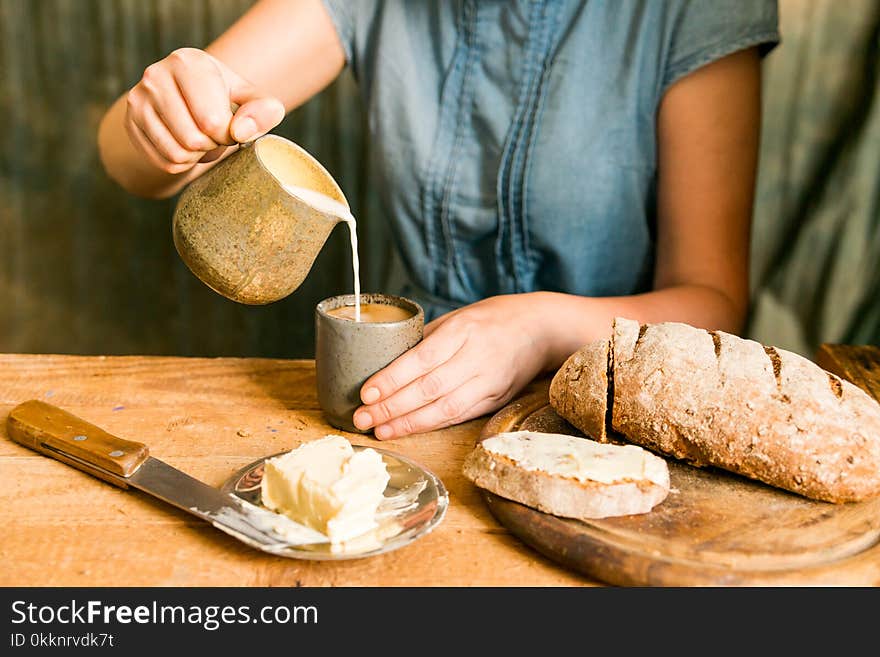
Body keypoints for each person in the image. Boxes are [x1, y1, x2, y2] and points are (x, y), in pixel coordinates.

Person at [98, 0, 780, 441]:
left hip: (612, 424)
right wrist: (163, 118)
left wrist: (540, 328)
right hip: (398, 411)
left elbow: (714, 301)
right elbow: (132, 164)